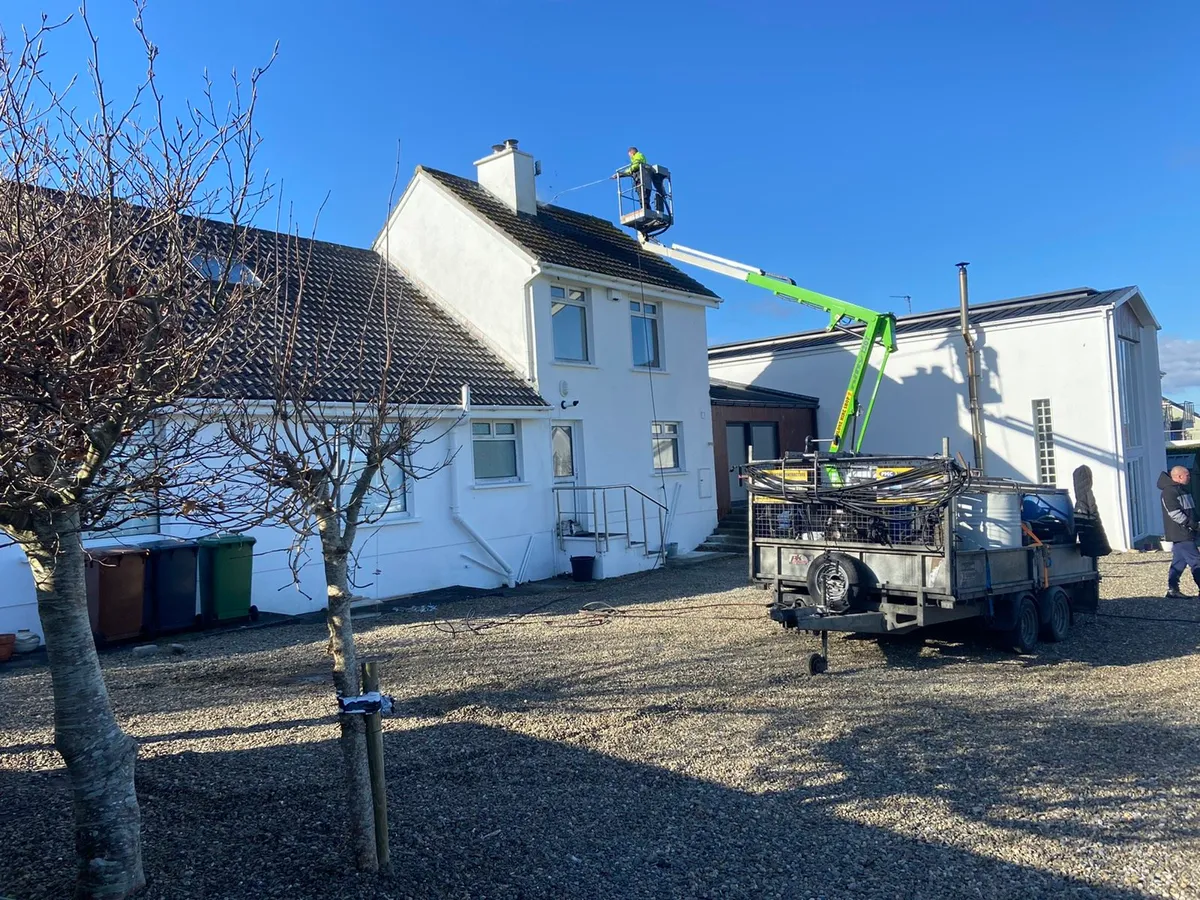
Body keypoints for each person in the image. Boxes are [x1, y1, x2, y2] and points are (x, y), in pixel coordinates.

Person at [1158, 465, 1199, 598]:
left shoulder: (1181, 489)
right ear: (1179, 476)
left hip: (1186, 531)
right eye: (1187, 475)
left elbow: (1190, 510)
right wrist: (1191, 524)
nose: (1189, 477)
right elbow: (1175, 513)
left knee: (1179, 562)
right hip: (1181, 532)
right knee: (1196, 561)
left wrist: (1196, 522)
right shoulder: (1169, 491)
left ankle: (1172, 589)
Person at [616, 146, 665, 213]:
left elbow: (635, 166)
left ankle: (646, 211)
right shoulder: (639, 163)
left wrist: (626, 171)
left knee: (644, 198)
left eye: (629, 155)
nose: (630, 157)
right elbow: (633, 170)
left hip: (642, 181)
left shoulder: (638, 156)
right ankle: (646, 211)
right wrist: (619, 175)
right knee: (643, 198)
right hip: (644, 182)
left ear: (632, 153)